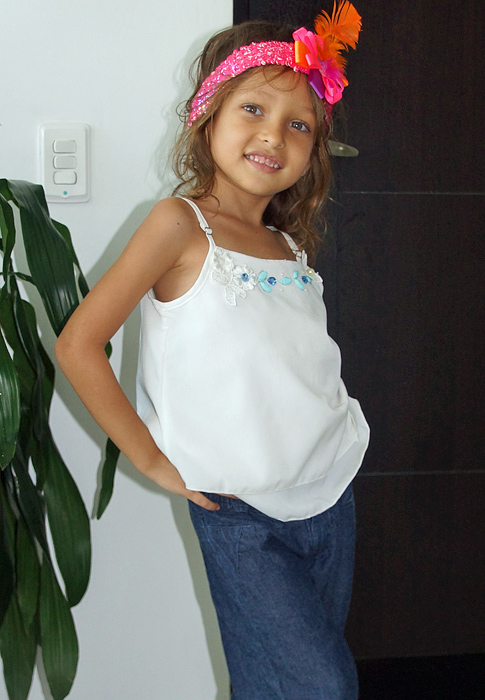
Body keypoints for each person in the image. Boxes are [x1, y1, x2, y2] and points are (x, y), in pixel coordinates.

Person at [55, 3, 369, 698]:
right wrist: (148, 458)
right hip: (239, 514)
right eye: (252, 109)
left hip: (328, 493)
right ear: (208, 116)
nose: (272, 136)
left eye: (297, 125)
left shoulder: (289, 246)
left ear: (313, 149)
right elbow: (79, 342)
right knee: (323, 687)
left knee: (273, 685)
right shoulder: (178, 223)